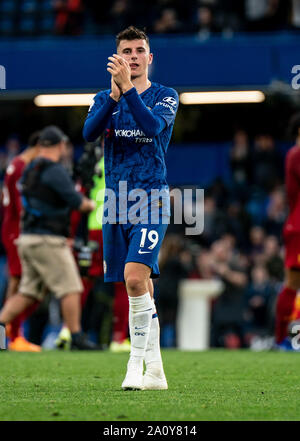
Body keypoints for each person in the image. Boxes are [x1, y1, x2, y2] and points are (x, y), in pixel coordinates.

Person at [83, 26, 179, 389]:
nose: (134, 56)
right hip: (115, 203)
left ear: (149, 58)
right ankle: (156, 372)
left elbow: (153, 126)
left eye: (140, 50)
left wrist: (128, 93)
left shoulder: (165, 96)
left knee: (135, 280)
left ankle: (133, 367)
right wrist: (112, 97)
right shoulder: (102, 99)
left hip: (151, 199)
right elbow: (89, 134)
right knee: (141, 290)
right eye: (127, 50)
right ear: (117, 58)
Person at [0, 125, 99, 351]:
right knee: (71, 287)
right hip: (47, 240)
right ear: (61, 145)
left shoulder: (29, 167)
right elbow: (77, 202)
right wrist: (90, 203)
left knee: (27, 292)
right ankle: (76, 336)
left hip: (27, 238)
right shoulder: (54, 170)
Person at [1, 131, 41, 352]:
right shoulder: (21, 167)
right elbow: (21, 205)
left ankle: (11, 335)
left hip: (11, 230)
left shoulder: (14, 164)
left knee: (17, 283)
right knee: (19, 284)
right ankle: (14, 336)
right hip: (17, 232)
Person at [275, 113, 300, 347]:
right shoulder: (296, 153)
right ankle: (282, 337)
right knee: (292, 282)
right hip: (298, 225)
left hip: (295, 223)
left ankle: (283, 337)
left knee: (292, 283)